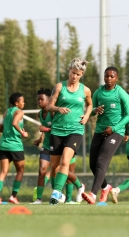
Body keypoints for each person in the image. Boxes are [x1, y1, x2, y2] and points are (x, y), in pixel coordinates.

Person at [81, 66, 129, 204]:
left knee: (101, 161)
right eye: (106, 76)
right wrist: (94, 111)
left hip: (115, 132)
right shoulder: (98, 92)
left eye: (112, 76)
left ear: (117, 78)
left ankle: (92, 194)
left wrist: (114, 128)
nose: (109, 78)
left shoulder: (121, 93)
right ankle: (105, 186)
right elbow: (90, 111)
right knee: (93, 164)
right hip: (99, 131)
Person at [47, 58, 92, 205]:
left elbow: (90, 105)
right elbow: (49, 106)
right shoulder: (60, 87)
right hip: (57, 130)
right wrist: (58, 108)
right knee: (54, 167)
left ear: (82, 74)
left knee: (65, 161)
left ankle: (56, 192)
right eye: (73, 73)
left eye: (78, 74)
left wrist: (86, 116)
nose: (75, 76)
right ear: (69, 71)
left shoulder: (85, 90)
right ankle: (57, 194)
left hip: (75, 130)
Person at [0, 93, 28, 204]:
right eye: (22, 101)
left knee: (3, 171)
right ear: (16, 103)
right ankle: (13, 196)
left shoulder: (6, 112)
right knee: (21, 170)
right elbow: (14, 123)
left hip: (3, 145)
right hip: (15, 146)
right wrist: (22, 132)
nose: (24, 103)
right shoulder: (19, 112)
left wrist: (8, 130)